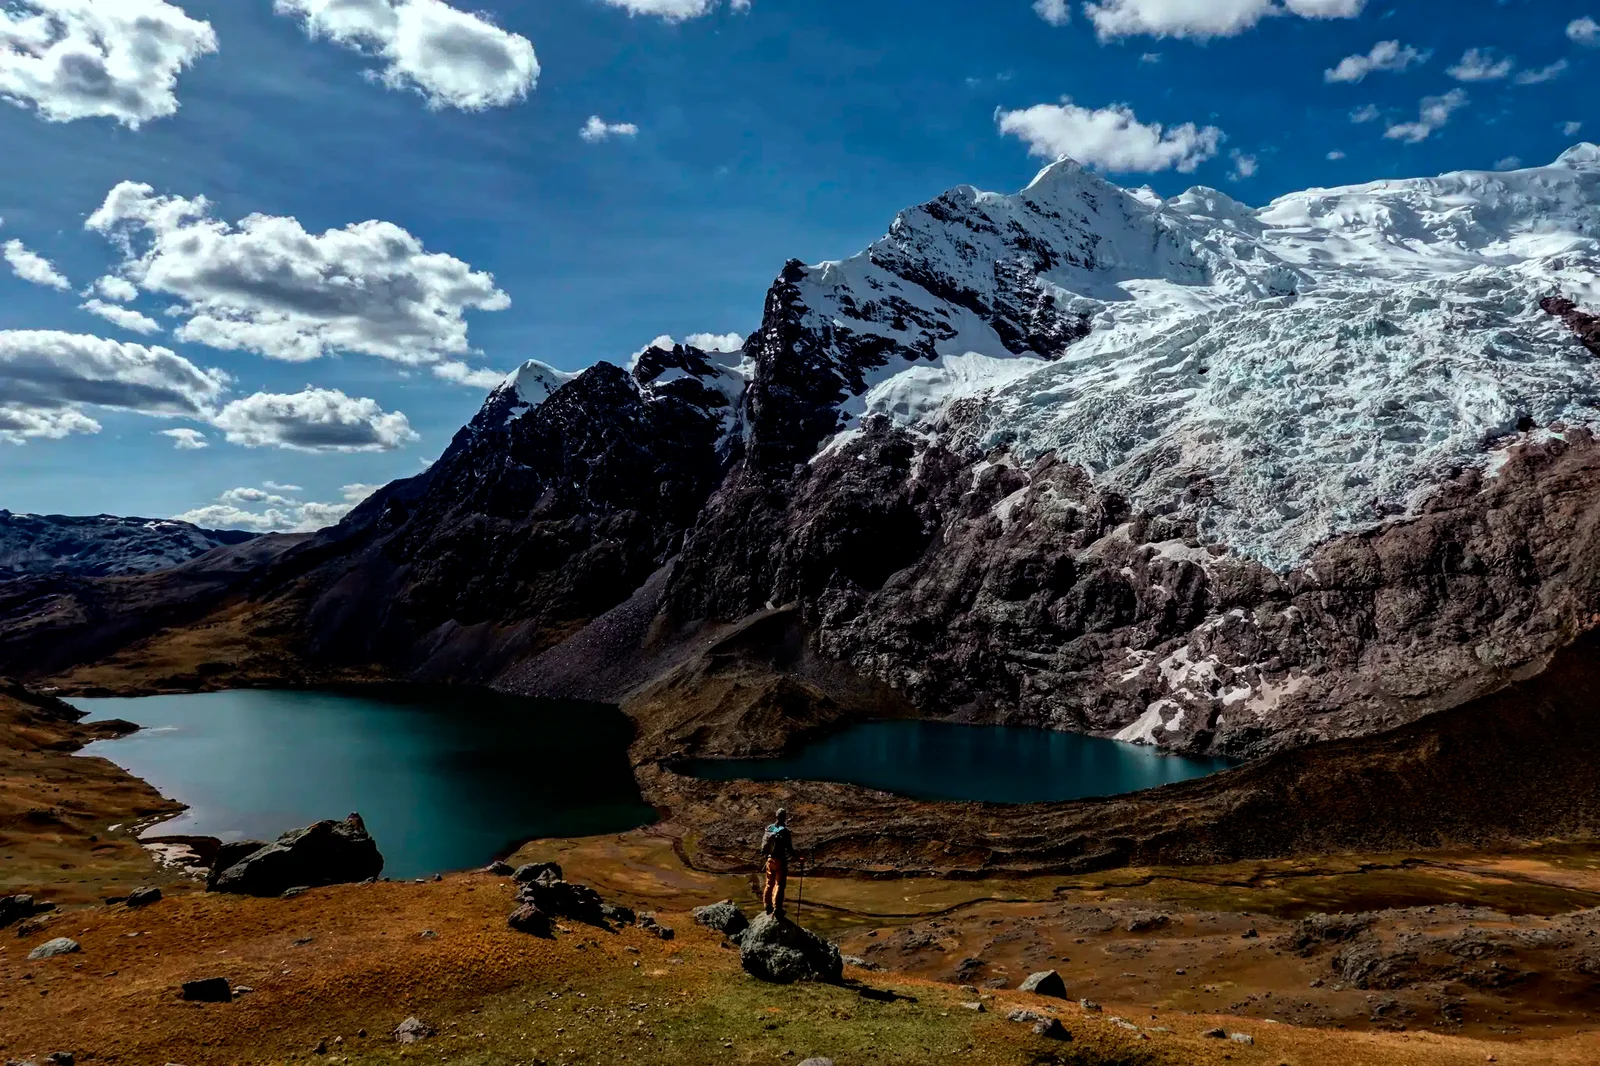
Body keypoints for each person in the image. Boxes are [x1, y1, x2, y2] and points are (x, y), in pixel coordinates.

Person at [761, 808, 794, 916]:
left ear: (776, 816)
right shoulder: (784, 831)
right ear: (784, 817)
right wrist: (798, 858)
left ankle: (767, 905)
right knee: (779, 884)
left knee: (769, 883)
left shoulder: (769, 828)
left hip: (769, 860)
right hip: (780, 860)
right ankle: (777, 908)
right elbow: (789, 848)